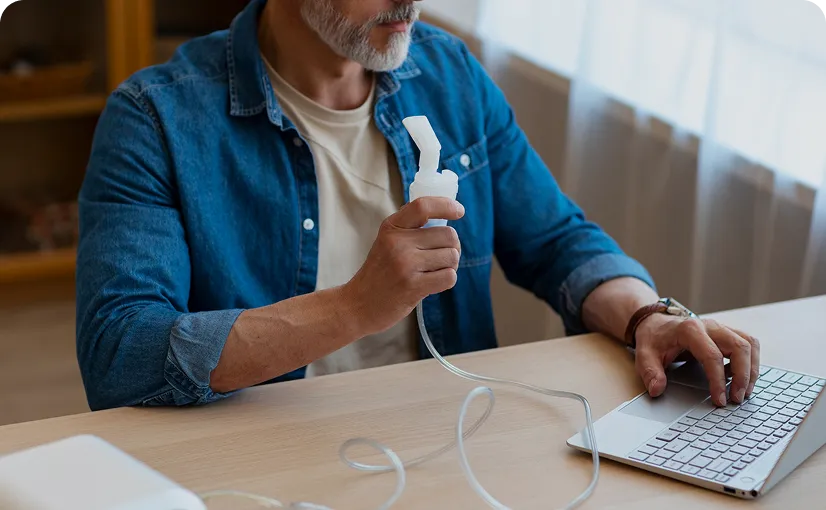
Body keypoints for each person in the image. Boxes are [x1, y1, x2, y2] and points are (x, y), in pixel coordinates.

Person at [76, 0, 759, 411]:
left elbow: (556, 241)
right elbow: (121, 355)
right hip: (259, 465)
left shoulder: (449, 75)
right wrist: (351, 307)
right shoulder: (156, 120)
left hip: (450, 439)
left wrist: (646, 315)